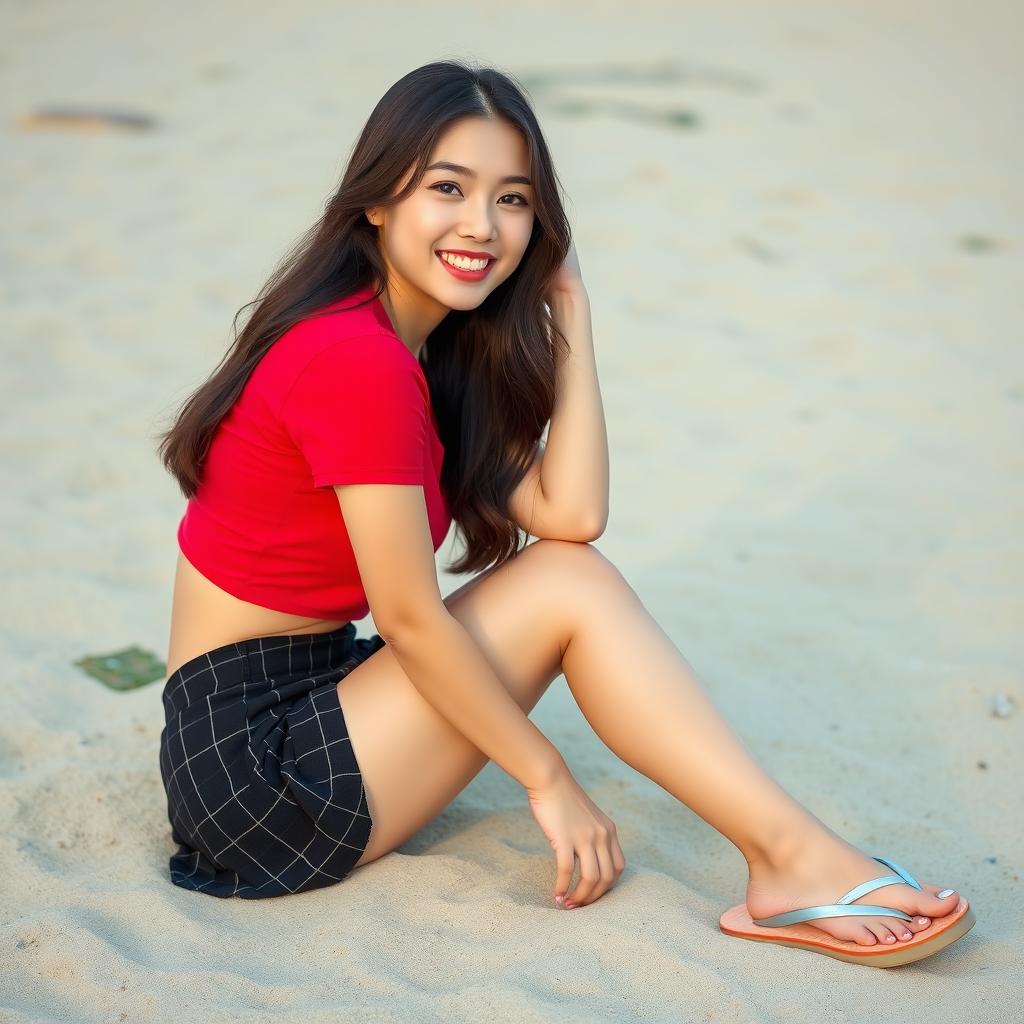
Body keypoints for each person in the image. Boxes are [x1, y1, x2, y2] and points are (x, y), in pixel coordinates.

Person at [154, 60, 973, 966]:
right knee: (564, 589)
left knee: (566, 573)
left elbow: (570, 514)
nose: (482, 225)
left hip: (306, 695)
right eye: (447, 188)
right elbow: (410, 619)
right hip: (253, 769)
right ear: (377, 200)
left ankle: (792, 857)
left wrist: (572, 313)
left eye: (513, 199)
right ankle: (791, 860)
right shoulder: (357, 361)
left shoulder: (417, 352)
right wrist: (548, 777)